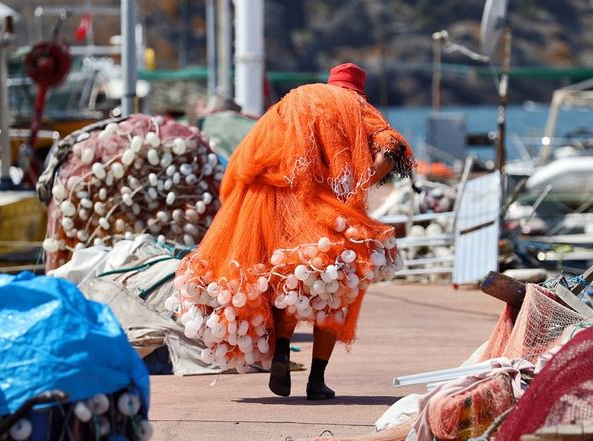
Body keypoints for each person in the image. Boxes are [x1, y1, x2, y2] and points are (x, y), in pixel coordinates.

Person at [172, 62, 413, 400]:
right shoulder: (358, 108)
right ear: (358, 91)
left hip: (280, 211)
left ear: (330, 83)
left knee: (288, 282)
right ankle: (317, 380)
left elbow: (250, 160)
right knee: (335, 292)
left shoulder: (293, 101)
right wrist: (361, 184)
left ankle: (282, 352)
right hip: (332, 212)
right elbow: (392, 148)